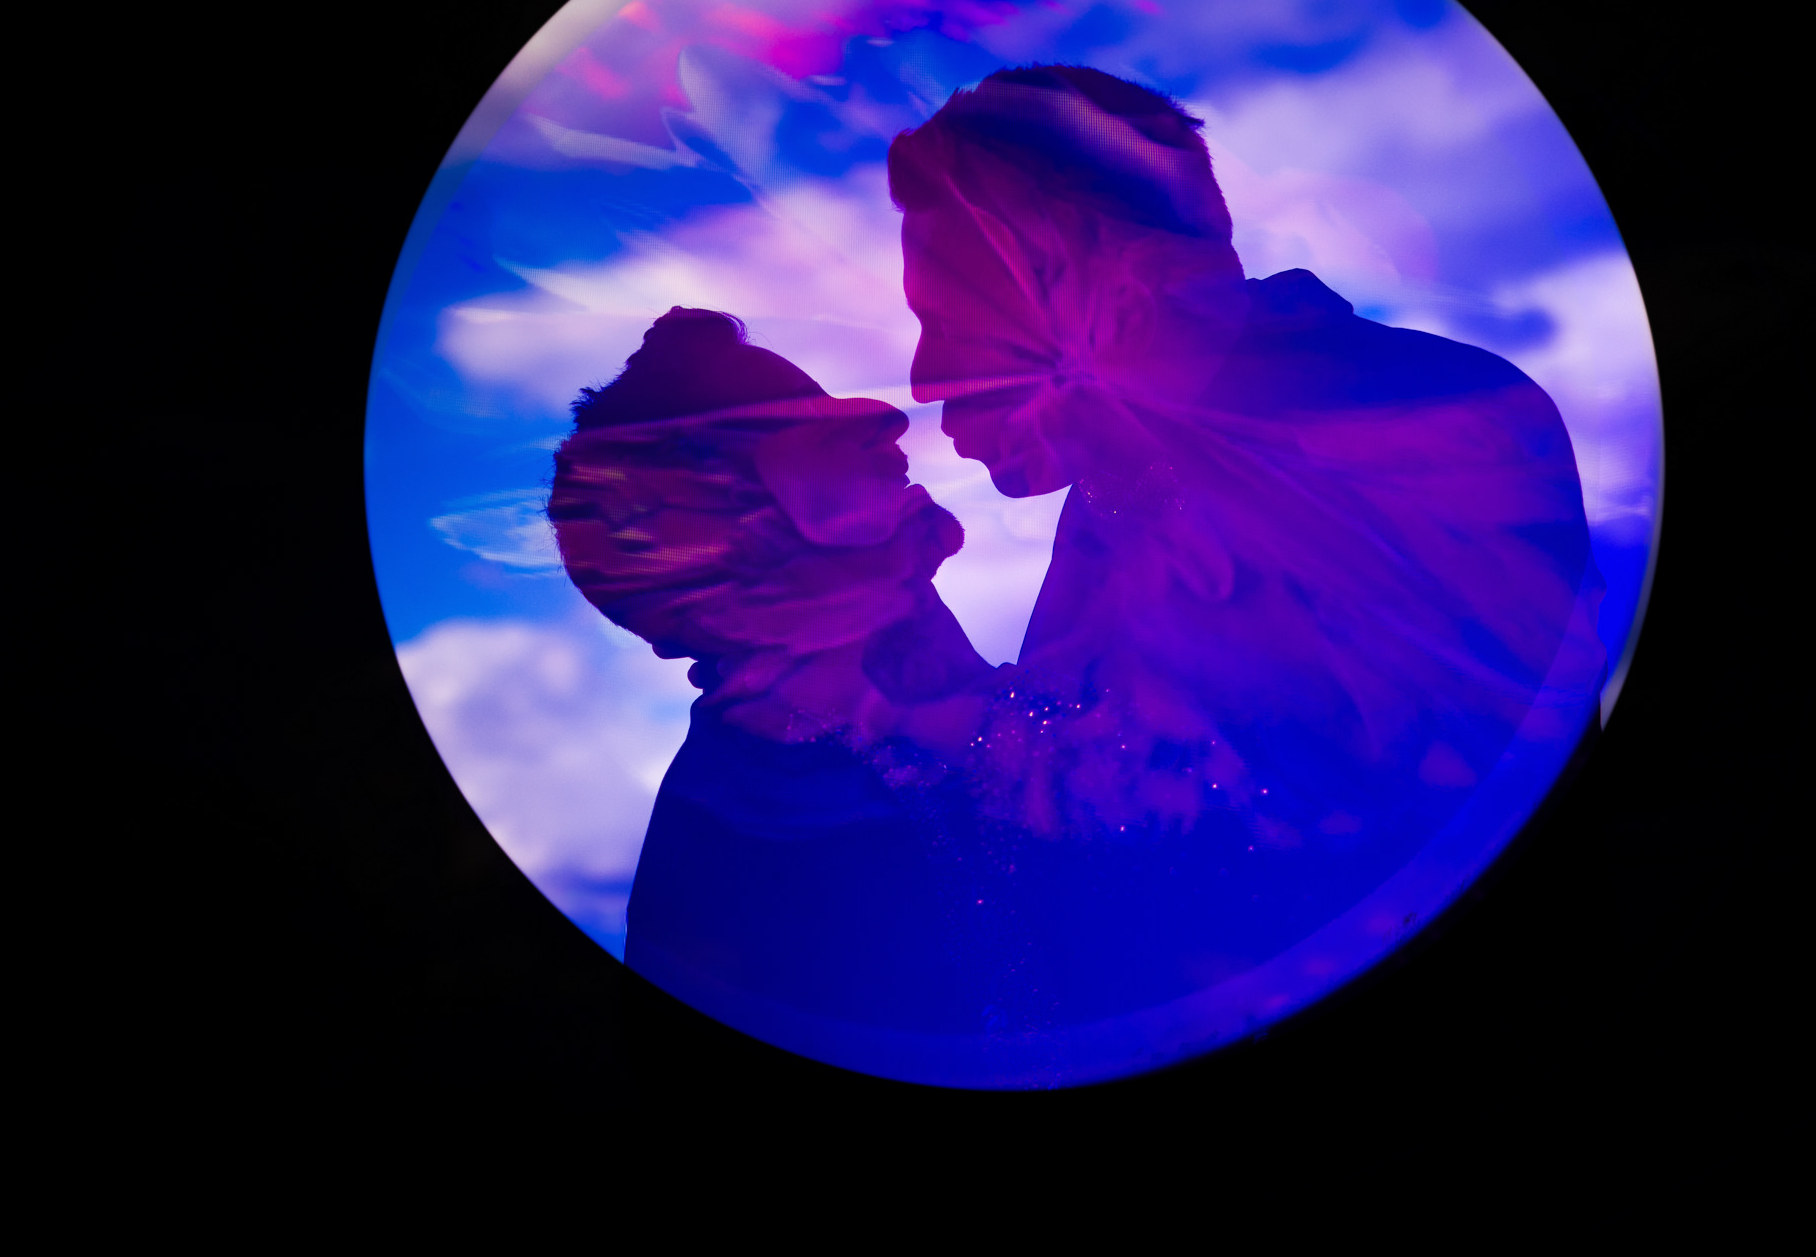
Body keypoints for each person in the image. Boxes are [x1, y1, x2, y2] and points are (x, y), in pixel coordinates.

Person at [890, 65, 1596, 1015]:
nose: (928, 377)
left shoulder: (1434, 430)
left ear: (1120, 286)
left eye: (952, 317)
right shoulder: (1119, 488)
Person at [546, 308, 1020, 1048]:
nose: (886, 432)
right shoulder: (735, 840)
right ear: (732, 525)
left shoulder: (916, 707)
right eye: (819, 438)